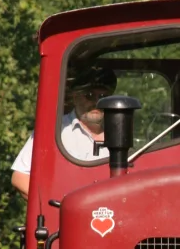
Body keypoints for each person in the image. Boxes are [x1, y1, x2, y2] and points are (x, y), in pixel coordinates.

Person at [10, 66, 118, 199]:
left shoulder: (121, 132)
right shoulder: (53, 130)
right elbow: (20, 177)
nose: (96, 102)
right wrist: (58, 209)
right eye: (89, 95)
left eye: (102, 96)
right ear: (75, 97)